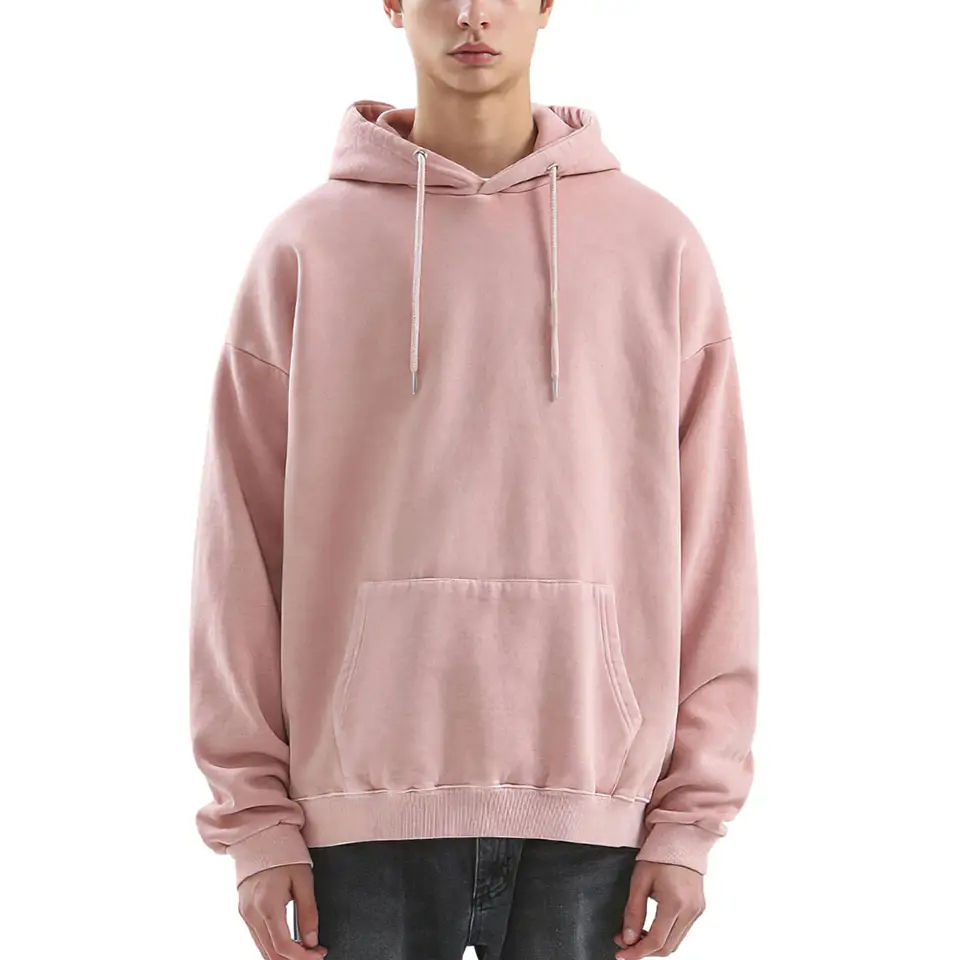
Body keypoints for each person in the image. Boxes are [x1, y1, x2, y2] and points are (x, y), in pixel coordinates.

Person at [187, 2, 759, 958]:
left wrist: (691, 817)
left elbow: (713, 546)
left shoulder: (657, 246)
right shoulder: (305, 249)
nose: (471, 13)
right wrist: (254, 820)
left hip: (595, 810)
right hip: (356, 816)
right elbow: (238, 549)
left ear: (546, 6)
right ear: (392, 5)